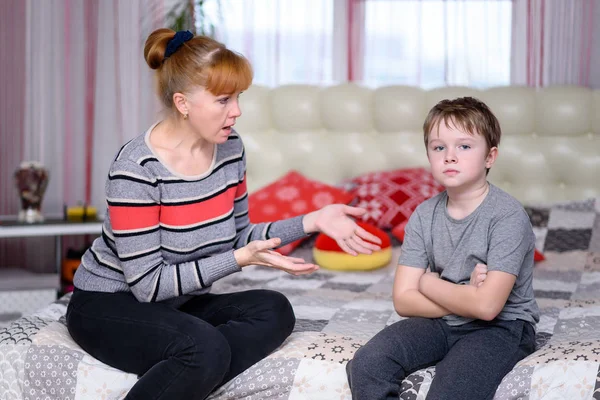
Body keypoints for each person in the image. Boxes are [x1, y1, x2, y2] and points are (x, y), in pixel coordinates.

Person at [66, 29, 381, 400]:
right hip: (109, 304)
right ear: (183, 103)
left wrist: (313, 220)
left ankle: (185, 374)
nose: (237, 111)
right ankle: (193, 364)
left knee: (274, 310)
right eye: (223, 100)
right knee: (204, 348)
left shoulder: (230, 149)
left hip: (177, 304)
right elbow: (149, 286)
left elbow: (239, 235)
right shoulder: (137, 167)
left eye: (238, 98)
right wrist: (237, 260)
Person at [346, 97, 540, 399]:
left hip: (502, 328)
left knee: (451, 389)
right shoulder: (424, 214)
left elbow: (488, 308)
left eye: (464, 146)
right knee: (369, 362)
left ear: (490, 157)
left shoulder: (508, 216)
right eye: (439, 147)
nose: (450, 156)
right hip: (439, 323)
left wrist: (426, 282)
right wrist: (467, 296)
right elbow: (404, 301)